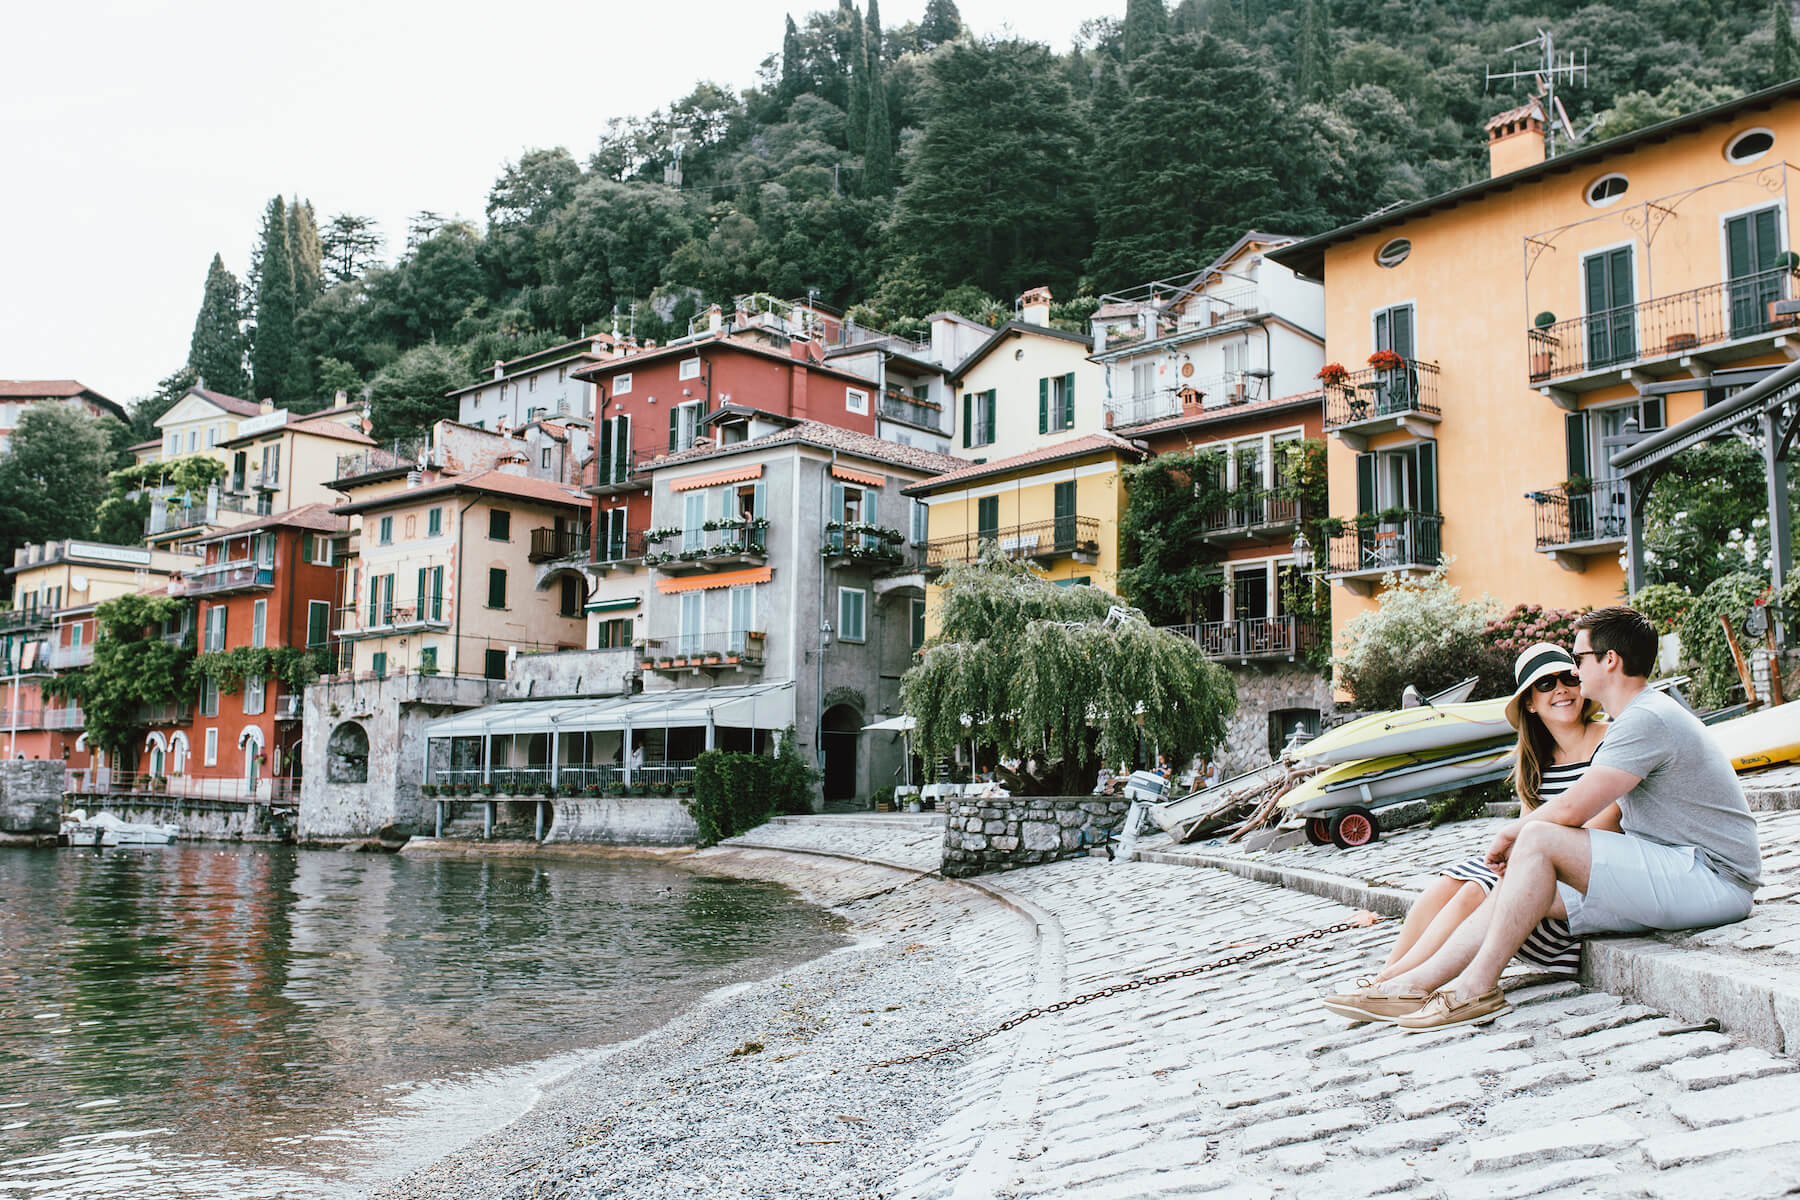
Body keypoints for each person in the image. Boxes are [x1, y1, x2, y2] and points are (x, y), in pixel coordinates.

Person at [1381, 608, 1757, 1032]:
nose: (1573, 672)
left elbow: (1572, 810)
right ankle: (1412, 984)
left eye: (1578, 660)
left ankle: (1474, 988)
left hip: (1714, 878)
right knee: (1513, 886)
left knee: (1538, 839)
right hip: (1674, 865)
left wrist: (1511, 834)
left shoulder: (1645, 719)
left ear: (1609, 660)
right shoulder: (1635, 718)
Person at [1321, 642, 1614, 1022]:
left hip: (1575, 888)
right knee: (1453, 880)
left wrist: (1527, 858)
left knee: (1478, 887)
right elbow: (1529, 830)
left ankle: (1403, 984)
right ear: (1530, 703)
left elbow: (1604, 825)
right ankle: (1387, 979)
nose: (1560, 689)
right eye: (1545, 684)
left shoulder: (1609, 741)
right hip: (1540, 877)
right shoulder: (1535, 763)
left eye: (1568, 678)